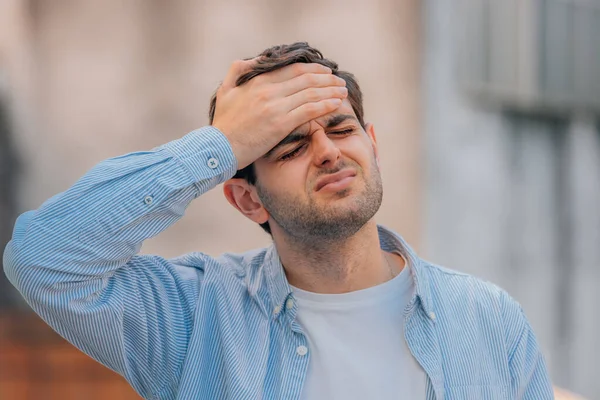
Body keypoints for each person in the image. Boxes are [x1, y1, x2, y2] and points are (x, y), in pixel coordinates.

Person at [3, 42, 553, 399]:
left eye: (340, 128)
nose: (328, 152)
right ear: (247, 201)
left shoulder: (487, 318)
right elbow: (43, 259)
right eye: (288, 147)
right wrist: (221, 143)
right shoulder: (194, 318)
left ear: (373, 146)